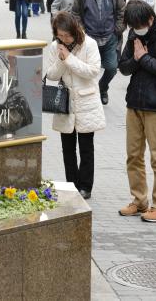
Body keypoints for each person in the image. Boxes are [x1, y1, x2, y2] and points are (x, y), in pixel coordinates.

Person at [118, 0, 156, 222]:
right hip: (134, 103)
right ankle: (139, 201)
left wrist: (145, 58)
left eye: (139, 24)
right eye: (132, 26)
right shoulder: (133, 35)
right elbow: (123, 67)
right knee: (133, 156)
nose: (136, 29)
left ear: (150, 18)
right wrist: (138, 60)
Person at [46, 11, 105, 199]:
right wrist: (63, 59)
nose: (63, 38)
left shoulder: (89, 44)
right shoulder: (55, 46)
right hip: (65, 103)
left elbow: (92, 71)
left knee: (86, 147)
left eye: (66, 35)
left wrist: (69, 59)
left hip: (87, 101)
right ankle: (72, 183)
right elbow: (52, 75)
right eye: (59, 35)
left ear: (75, 30)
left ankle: (86, 186)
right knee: (67, 147)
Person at [71, 0, 125, 105]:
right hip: (90, 39)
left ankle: (103, 87)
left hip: (110, 37)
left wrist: (118, 29)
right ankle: (90, 95)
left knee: (112, 68)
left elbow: (122, 11)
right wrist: (82, 32)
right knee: (89, 70)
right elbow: (75, 14)